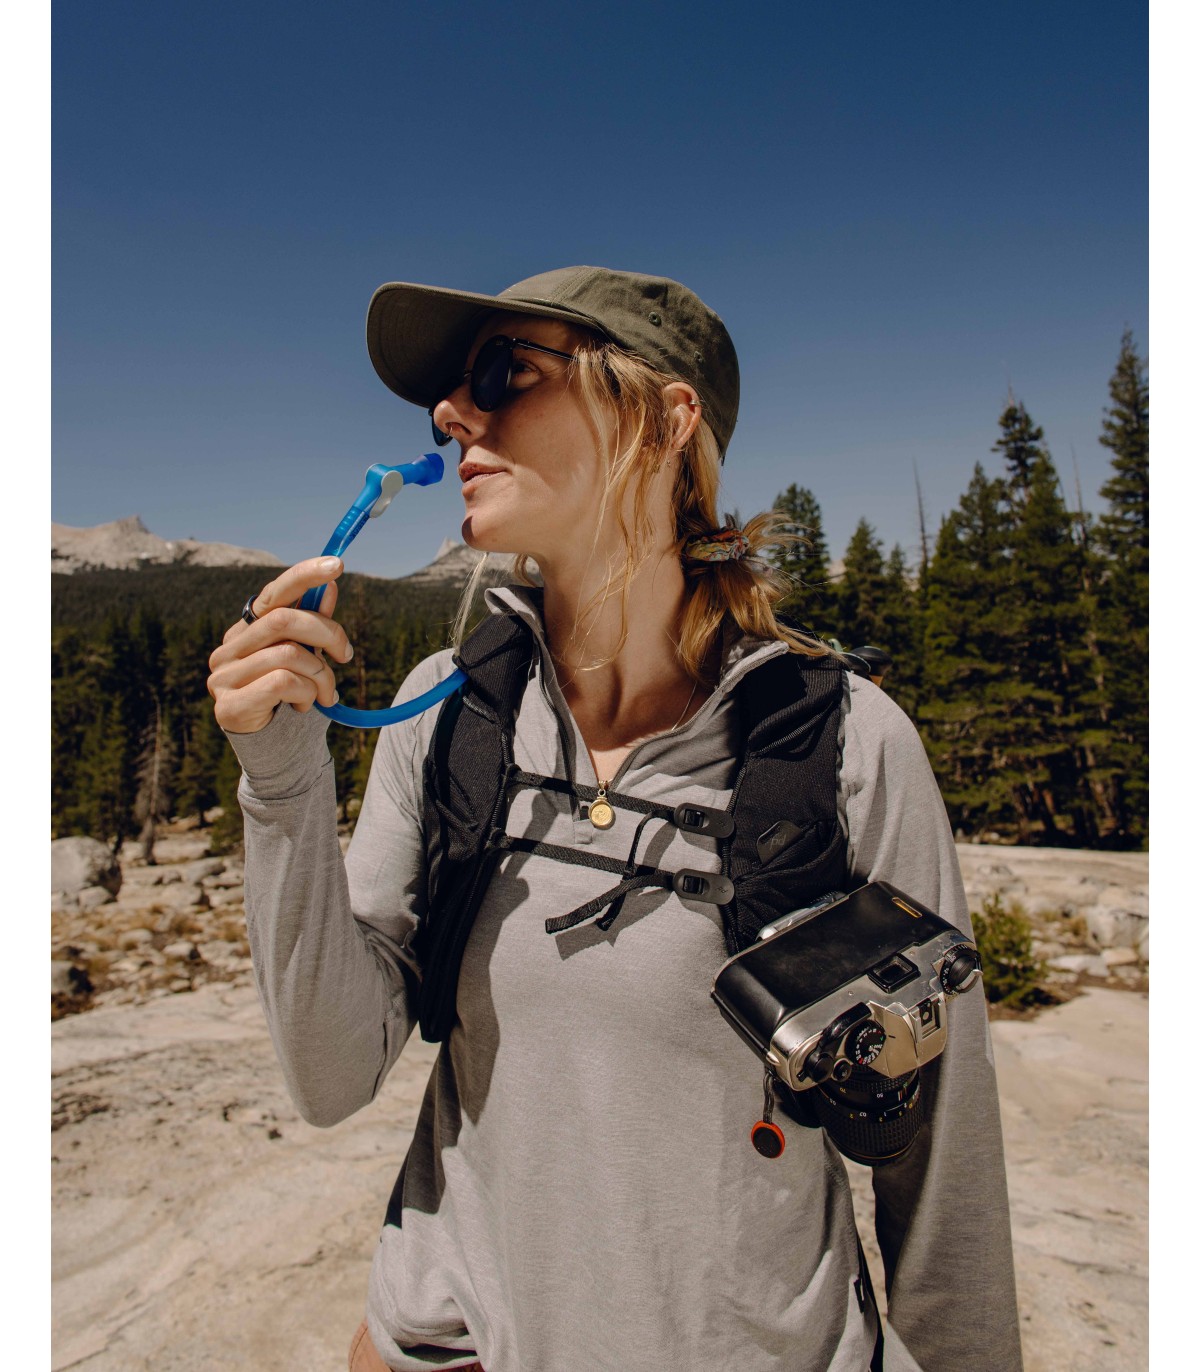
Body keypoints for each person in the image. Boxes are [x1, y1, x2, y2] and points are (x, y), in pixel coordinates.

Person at [208, 267, 1023, 1372]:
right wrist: (281, 778)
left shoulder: (844, 746)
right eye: (454, 391)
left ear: (666, 419)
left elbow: (943, 1161)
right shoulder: (445, 711)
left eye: (504, 371)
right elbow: (331, 1073)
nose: (450, 414)